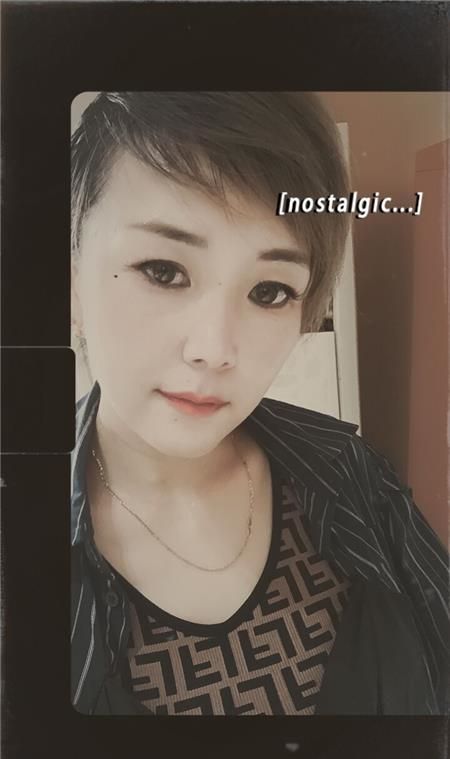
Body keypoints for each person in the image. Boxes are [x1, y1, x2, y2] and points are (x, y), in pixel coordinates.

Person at [71, 91, 449, 716]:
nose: (215, 350)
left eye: (270, 291)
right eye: (163, 270)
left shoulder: (354, 479)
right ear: (70, 282)